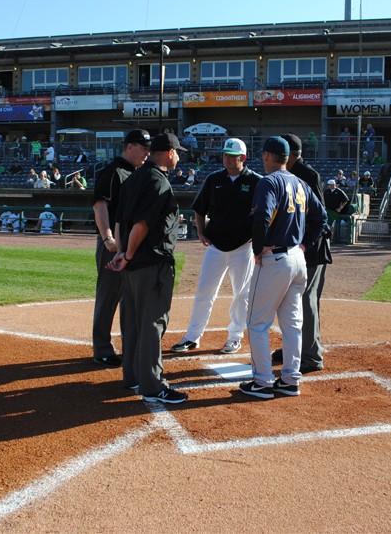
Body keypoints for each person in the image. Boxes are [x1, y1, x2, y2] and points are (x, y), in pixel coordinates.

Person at [238, 136, 326, 400]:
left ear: (267, 156)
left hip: (275, 258)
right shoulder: (299, 182)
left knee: (257, 323)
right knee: (293, 325)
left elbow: (262, 216)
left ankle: (263, 382)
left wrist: (257, 249)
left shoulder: (269, 181)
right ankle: (289, 380)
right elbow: (321, 218)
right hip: (298, 260)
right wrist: (305, 245)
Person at [109, 131, 188, 404]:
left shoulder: (133, 179)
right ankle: (153, 386)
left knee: (132, 323)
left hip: (131, 267)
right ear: (168, 153)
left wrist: (121, 253)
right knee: (152, 324)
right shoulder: (158, 182)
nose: (178, 157)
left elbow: (120, 223)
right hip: (151, 263)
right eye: (177, 152)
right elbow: (141, 225)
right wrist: (128, 254)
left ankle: (131, 376)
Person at [170, 138, 261, 355]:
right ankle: (192, 337)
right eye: (225, 155)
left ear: (243, 158)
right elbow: (199, 209)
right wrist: (201, 232)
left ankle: (235, 337)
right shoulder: (214, 179)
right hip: (216, 246)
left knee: (242, 294)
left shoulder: (256, 181)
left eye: (232, 156)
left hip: (243, 247)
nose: (227, 159)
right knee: (204, 292)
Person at [90, 129, 151, 367]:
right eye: (143, 147)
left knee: (130, 297)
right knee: (109, 295)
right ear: (129, 147)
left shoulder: (136, 173)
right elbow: (100, 207)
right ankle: (102, 348)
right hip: (112, 244)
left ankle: (130, 345)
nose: (147, 152)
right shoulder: (113, 171)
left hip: (131, 244)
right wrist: (107, 239)